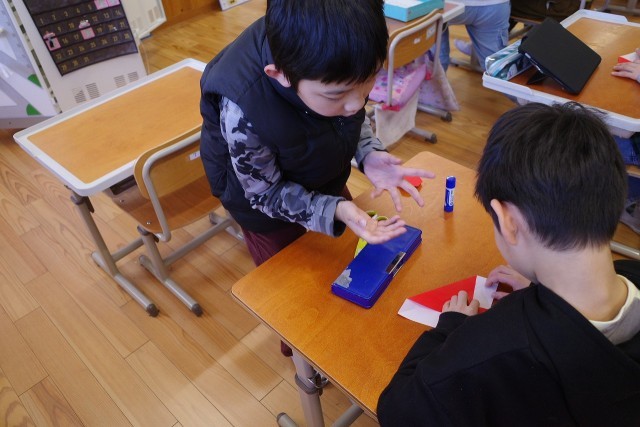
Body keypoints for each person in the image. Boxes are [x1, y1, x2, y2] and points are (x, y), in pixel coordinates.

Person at [377, 102, 640, 426]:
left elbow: (397, 410)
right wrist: (541, 287)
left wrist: (450, 327)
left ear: (508, 220)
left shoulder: (491, 347)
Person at [200, 0, 434, 353]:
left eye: (368, 82)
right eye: (337, 94)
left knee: (345, 259)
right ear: (280, 75)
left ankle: (343, 332)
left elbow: (349, 116)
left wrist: (368, 154)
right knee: (294, 294)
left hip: (316, 167)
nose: (357, 104)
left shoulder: (334, 60)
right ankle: (301, 355)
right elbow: (265, 195)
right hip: (263, 208)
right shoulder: (243, 109)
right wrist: (335, 209)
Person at [440, 0, 511, 71]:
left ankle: (438, 65)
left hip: (447, 5)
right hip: (494, 6)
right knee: (496, 67)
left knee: (437, 31)